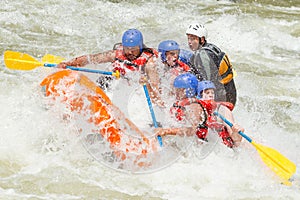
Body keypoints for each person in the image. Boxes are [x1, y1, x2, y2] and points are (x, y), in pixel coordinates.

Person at [57, 28, 162, 105]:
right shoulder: (116, 54)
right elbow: (90, 59)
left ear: (140, 47)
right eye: (127, 48)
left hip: (134, 93)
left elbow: (157, 94)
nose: (129, 52)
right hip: (111, 83)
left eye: (133, 49)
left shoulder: (149, 63)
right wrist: (68, 64)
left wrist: (146, 84)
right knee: (100, 83)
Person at [157, 73, 243, 148]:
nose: (174, 92)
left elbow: (192, 131)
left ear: (185, 91)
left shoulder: (195, 107)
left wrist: (167, 131)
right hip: (198, 145)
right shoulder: (183, 105)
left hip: (215, 147)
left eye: (177, 90)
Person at [186, 23, 237, 107]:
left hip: (222, 96)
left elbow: (208, 82)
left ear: (201, 39)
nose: (189, 42)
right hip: (231, 93)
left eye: (193, 39)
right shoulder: (212, 48)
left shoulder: (202, 55)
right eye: (188, 39)